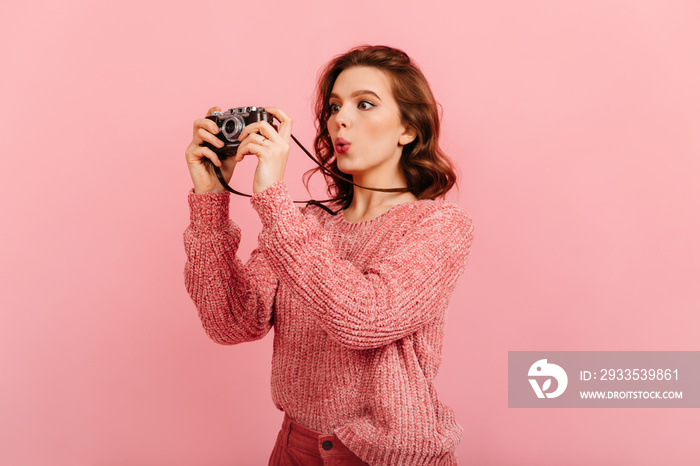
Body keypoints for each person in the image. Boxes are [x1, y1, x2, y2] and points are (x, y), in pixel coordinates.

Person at [183, 45, 474, 465]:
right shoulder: (305, 224)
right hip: (294, 449)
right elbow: (231, 322)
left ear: (408, 128)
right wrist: (210, 197)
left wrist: (273, 200)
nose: (340, 118)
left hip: (386, 458)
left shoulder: (440, 226)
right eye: (334, 106)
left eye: (365, 104)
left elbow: (365, 318)